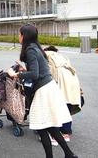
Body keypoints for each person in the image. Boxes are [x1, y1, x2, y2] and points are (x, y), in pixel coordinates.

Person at [7, 24, 77, 158]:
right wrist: (23, 70)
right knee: (49, 126)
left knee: (42, 126)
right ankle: (69, 154)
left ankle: (63, 155)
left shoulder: (30, 50)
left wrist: (14, 74)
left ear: (24, 36)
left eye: (19, 34)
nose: (18, 36)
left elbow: (34, 74)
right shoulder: (35, 48)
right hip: (48, 88)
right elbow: (36, 71)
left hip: (44, 91)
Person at [44, 45, 82, 142]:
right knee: (67, 105)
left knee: (58, 107)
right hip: (73, 82)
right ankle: (66, 133)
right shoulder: (62, 56)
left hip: (61, 82)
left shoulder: (47, 55)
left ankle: (58, 133)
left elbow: (50, 72)